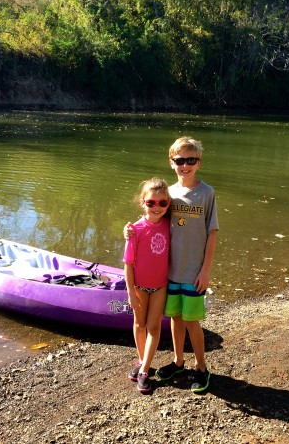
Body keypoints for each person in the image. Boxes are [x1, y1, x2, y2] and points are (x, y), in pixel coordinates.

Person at [125, 137, 218, 393]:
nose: (185, 165)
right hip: (170, 274)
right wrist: (129, 229)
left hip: (194, 272)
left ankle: (201, 367)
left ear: (198, 163)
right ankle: (179, 361)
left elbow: (212, 233)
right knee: (175, 319)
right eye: (180, 161)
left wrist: (205, 270)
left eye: (190, 160)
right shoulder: (169, 194)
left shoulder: (207, 193)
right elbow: (150, 216)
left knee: (192, 321)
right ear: (172, 162)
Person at [123, 177, 171, 393]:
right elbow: (128, 264)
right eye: (151, 203)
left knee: (153, 327)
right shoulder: (135, 230)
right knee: (139, 325)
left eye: (163, 203)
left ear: (168, 204)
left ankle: (144, 371)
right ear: (142, 202)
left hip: (160, 287)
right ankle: (142, 360)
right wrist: (131, 292)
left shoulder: (170, 225)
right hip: (140, 288)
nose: (157, 207)